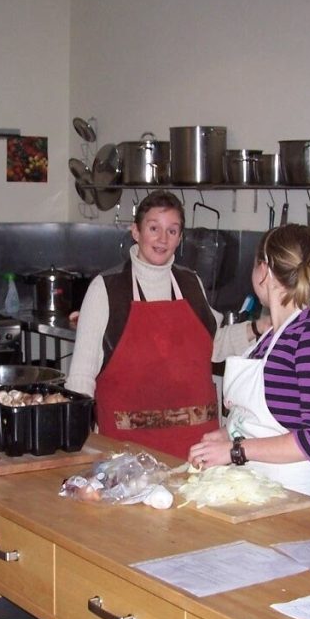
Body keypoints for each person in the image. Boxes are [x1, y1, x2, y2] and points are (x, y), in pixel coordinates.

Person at [66, 189, 266, 460]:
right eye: (153, 228)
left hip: (197, 447)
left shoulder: (190, 283)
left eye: (172, 231)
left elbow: (213, 345)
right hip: (129, 452)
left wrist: (257, 328)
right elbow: (81, 376)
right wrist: (76, 439)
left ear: (180, 238)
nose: (162, 239)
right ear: (135, 232)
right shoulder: (107, 289)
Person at [187, 223, 310, 499]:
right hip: (253, 487)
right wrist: (228, 434)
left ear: (266, 271)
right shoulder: (272, 335)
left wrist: (235, 450)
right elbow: (276, 417)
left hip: (291, 494)